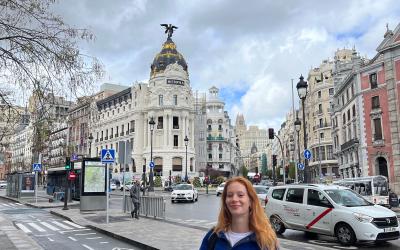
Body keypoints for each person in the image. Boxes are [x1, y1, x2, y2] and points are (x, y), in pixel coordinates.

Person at [199, 176, 278, 250]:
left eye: (240, 195)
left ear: (250, 201)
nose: (234, 199)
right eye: (230, 195)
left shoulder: (266, 240)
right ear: (225, 201)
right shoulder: (213, 236)